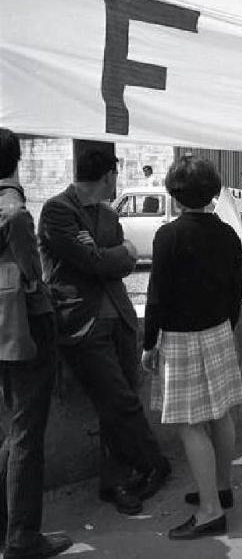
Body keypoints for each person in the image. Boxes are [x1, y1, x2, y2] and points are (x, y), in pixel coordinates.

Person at [37, 149, 171, 516]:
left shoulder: (108, 214)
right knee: (119, 401)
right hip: (83, 322)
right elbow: (91, 261)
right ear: (108, 175)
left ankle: (115, 481)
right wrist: (116, 253)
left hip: (120, 319)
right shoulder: (57, 210)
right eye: (117, 173)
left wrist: (113, 254)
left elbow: (119, 264)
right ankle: (154, 463)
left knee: (119, 402)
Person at [142, 156, 242, 540]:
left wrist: (148, 343)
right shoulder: (228, 235)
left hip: (182, 337)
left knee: (190, 423)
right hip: (218, 331)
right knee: (221, 414)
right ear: (211, 192)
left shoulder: (168, 236)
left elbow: (156, 297)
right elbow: (237, 290)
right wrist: (225, 326)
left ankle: (210, 511)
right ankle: (221, 487)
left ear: (175, 194)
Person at [0, 128, 73, 558]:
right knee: (27, 432)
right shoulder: (16, 213)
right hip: (25, 328)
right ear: (16, 160)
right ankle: (23, 535)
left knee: (12, 430)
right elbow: (32, 277)